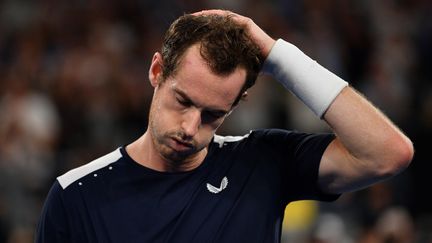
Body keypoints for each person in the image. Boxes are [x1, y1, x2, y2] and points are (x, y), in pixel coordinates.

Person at [35, 10, 414, 243]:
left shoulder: (261, 161)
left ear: (235, 105)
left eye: (212, 115)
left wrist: (278, 57)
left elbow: (387, 153)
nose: (189, 127)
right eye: (182, 100)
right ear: (156, 72)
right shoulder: (76, 195)